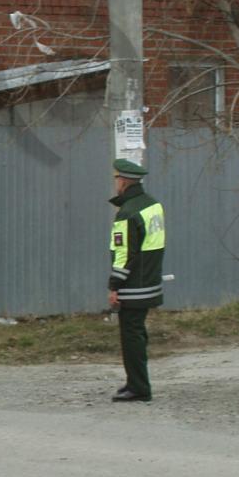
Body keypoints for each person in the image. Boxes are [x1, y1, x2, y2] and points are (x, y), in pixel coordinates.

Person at [107, 156, 166, 403]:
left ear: (123, 182)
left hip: (133, 286)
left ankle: (139, 387)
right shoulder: (153, 205)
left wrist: (114, 285)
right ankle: (136, 382)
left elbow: (123, 254)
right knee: (138, 334)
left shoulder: (127, 213)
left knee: (131, 336)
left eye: (116, 179)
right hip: (150, 280)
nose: (115, 184)